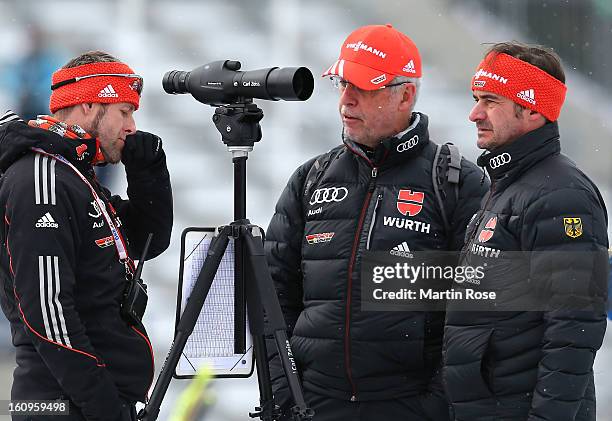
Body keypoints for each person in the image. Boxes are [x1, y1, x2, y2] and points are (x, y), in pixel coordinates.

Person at [265, 24, 488, 420]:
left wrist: (436, 404)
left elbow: (480, 309)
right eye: (342, 84)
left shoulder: (456, 183)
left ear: (406, 94)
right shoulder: (311, 177)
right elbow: (271, 294)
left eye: (364, 88)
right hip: (313, 404)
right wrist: (285, 391)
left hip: (408, 405)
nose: (346, 101)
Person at [0, 51, 173, 420]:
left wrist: (148, 172)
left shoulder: (73, 174)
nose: (131, 126)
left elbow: (148, 241)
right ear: (89, 103)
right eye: (124, 111)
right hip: (62, 404)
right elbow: (48, 310)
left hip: (85, 402)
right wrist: (105, 407)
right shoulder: (41, 177)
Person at [443, 42, 609, 421]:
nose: (474, 114)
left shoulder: (561, 193)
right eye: (475, 99)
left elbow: (574, 328)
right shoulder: (510, 186)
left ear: (533, 108)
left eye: (490, 101)